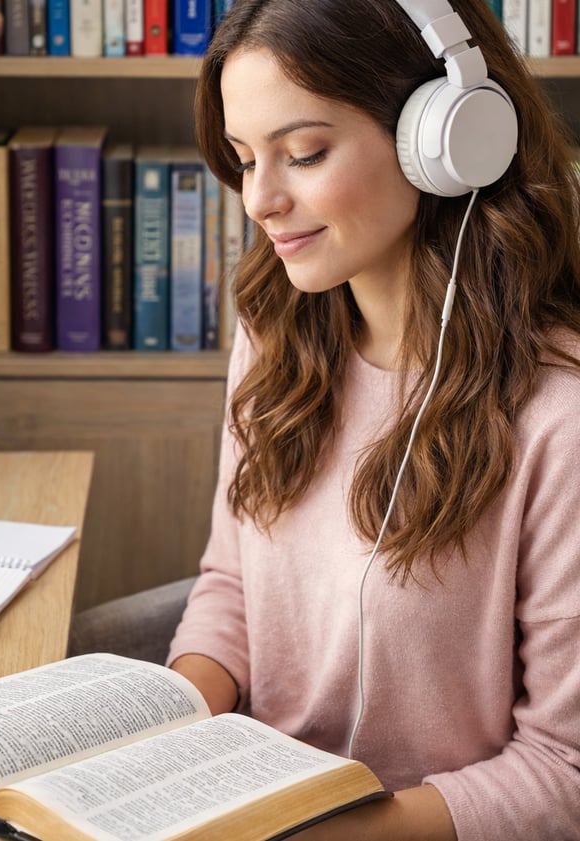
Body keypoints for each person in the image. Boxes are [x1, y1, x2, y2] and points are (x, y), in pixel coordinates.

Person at [164, 1, 580, 839]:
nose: (261, 199)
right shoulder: (273, 337)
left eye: (305, 153)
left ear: (448, 138)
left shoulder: (558, 418)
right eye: (245, 160)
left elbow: (566, 770)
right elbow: (231, 585)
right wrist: (165, 718)